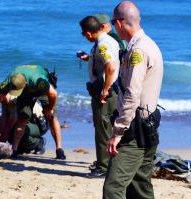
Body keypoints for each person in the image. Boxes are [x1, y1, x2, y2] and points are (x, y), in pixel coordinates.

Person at [103, 1, 163, 198]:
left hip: (134, 132)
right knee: (140, 187)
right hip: (149, 126)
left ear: (120, 23)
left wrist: (118, 131)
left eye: (113, 23)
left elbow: (132, 94)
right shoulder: (149, 45)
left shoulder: (138, 51)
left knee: (113, 188)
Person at [0, 65, 66, 160]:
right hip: (26, 92)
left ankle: (59, 149)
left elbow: (53, 94)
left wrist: (49, 108)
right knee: (22, 119)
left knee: (52, 117)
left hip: (41, 90)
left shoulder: (39, 81)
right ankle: (14, 150)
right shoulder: (8, 81)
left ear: (25, 84)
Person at [79, 16, 120, 178]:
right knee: (106, 127)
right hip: (108, 91)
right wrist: (89, 58)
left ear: (88, 33)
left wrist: (105, 90)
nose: (84, 37)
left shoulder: (103, 44)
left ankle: (104, 167)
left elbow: (110, 67)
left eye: (83, 34)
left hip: (105, 93)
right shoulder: (107, 41)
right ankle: (105, 163)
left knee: (103, 129)